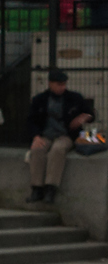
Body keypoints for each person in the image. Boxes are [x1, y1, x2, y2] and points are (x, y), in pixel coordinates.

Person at [27, 69, 96, 204]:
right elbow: (31, 120)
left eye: (64, 84)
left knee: (58, 150)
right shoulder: (40, 100)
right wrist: (36, 137)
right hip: (45, 135)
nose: (62, 88)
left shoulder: (74, 98)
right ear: (50, 84)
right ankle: (37, 188)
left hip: (65, 135)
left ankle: (51, 188)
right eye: (59, 84)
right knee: (37, 150)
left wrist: (84, 118)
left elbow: (90, 114)